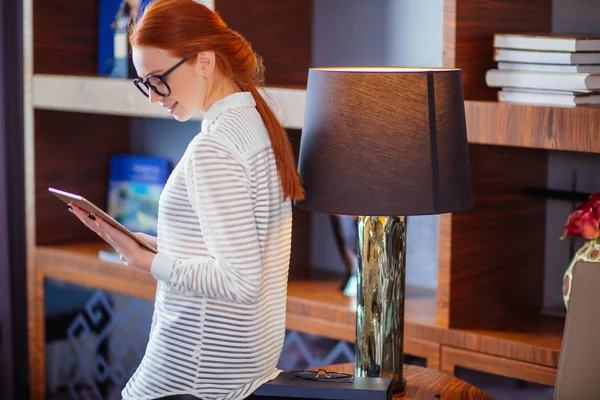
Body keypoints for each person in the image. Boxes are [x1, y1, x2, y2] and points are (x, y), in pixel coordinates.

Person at [68, 0, 304, 398]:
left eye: (159, 78)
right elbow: (233, 252)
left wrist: (151, 262)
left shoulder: (213, 148)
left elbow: (241, 281)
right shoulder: (258, 125)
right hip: (236, 368)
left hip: (192, 373)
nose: (153, 96)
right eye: (145, 83)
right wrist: (155, 248)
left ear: (205, 62)